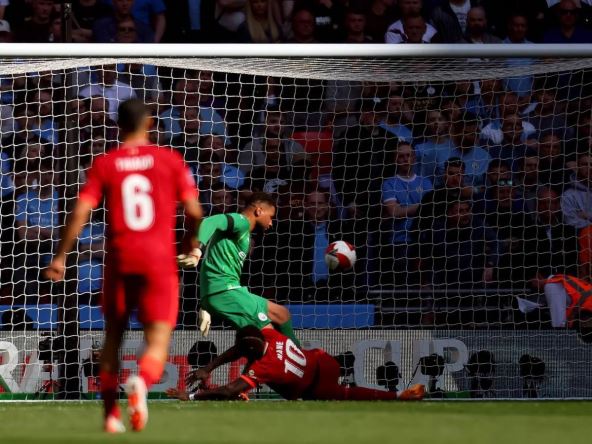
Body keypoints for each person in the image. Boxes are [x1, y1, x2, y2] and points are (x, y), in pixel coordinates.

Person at [44, 99, 204, 433]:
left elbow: (81, 210)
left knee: (112, 339)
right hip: (158, 261)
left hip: (119, 259)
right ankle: (141, 382)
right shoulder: (169, 160)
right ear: (149, 124)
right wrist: (190, 242)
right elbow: (194, 211)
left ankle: (110, 417)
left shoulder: (106, 163)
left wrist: (61, 256)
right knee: (157, 340)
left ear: (118, 126)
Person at [166, 326, 425, 401]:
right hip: (322, 359)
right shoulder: (269, 334)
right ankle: (344, 363)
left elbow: (228, 390)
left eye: (244, 350)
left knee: (350, 394)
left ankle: (401, 395)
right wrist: (208, 368)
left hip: (315, 387)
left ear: (252, 348)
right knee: (251, 376)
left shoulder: (265, 365)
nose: (238, 351)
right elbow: (240, 348)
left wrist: (192, 396)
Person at [193, 192, 300, 346]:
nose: (271, 223)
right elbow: (210, 221)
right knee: (268, 341)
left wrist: (206, 303)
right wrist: (196, 250)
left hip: (227, 291)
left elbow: (213, 261)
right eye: (271, 217)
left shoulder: (242, 233)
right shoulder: (241, 221)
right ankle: (298, 359)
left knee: (282, 314)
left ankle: (300, 355)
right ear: (259, 211)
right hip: (225, 291)